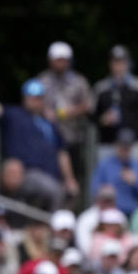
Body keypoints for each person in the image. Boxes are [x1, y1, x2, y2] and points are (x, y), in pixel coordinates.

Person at [0, 79, 79, 210]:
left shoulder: (49, 123)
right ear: (24, 98)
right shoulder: (15, 114)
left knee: (69, 194)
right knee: (54, 191)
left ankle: (52, 226)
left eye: (38, 98)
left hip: (52, 176)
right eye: (31, 97)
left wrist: (70, 179)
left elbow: (62, 152)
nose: (34, 101)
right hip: (27, 173)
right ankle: (52, 225)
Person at [37, 42, 92, 192]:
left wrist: (70, 112)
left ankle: (69, 211)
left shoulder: (79, 81)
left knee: (72, 179)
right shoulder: (42, 80)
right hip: (48, 139)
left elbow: (89, 104)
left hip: (72, 137)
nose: (61, 63)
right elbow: (33, 101)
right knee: (48, 178)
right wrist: (45, 112)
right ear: (51, 60)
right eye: (57, 59)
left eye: (64, 60)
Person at [92, 45, 138, 162]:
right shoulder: (101, 87)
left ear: (128, 63)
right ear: (110, 64)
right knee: (108, 179)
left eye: (122, 62)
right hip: (107, 144)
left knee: (132, 178)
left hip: (133, 145)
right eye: (116, 62)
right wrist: (102, 120)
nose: (119, 66)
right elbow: (92, 115)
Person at [89, 128, 138, 216]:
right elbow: (94, 187)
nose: (124, 149)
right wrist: (107, 190)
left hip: (131, 212)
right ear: (116, 145)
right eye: (122, 145)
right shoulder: (105, 164)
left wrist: (135, 182)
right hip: (108, 211)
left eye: (127, 146)